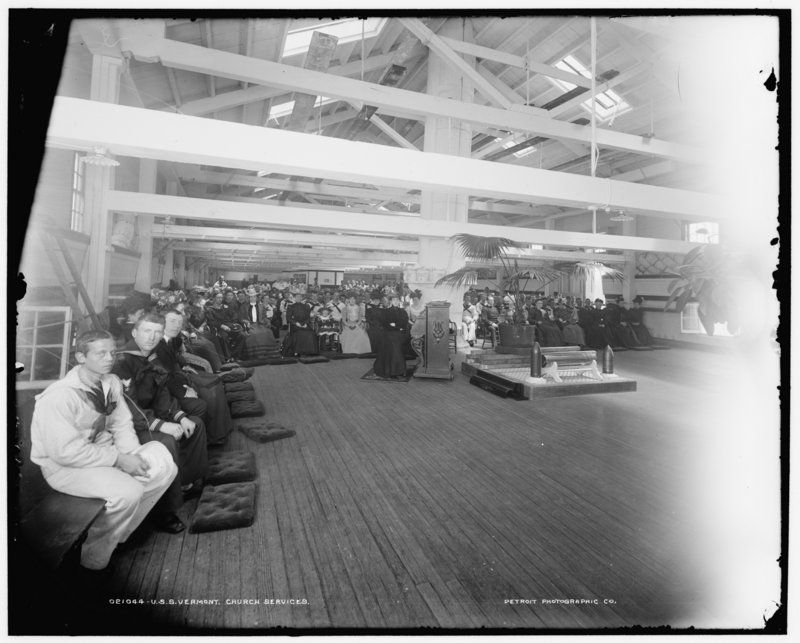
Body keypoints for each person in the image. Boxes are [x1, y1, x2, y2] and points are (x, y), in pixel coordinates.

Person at [30, 330, 177, 572]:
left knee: (163, 463)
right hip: (65, 468)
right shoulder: (59, 396)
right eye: (101, 353)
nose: (109, 358)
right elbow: (65, 452)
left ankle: (118, 535)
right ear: (81, 357)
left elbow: (121, 424)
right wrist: (119, 459)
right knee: (129, 492)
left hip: (102, 453)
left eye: (112, 352)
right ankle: (93, 560)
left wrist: (132, 455)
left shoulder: (110, 382)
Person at [112, 313, 209, 523]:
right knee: (167, 441)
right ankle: (165, 511)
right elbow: (128, 406)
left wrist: (180, 416)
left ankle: (187, 482)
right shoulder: (122, 363)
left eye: (157, 332)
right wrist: (162, 425)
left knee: (195, 424)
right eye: (147, 331)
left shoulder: (151, 356)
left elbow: (162, 392)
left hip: (150, 416)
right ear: (134, 332)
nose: (152, 337)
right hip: (131, 425)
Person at [156, 309, 233, 446]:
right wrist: (184, 391)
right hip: (170, 389)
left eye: (179, 322)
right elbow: (163, 377)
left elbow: (175, 360)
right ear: (161, 323)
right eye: (172, 321)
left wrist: (184, 366)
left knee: (215, 381)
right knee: (210, 391)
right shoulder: (158, 345)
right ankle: (213, 436)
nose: (177, 325)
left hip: (179, 376)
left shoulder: (171, 340)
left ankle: (220, 431)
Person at [373, 293, 409, 379]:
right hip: (389, 334)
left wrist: (396, 326)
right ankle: (393, 371)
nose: (395, 301)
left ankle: (399, 370)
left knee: (397, 348)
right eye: (394, 300)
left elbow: (404, 323)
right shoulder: (386, 312)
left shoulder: (403, 311)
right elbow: (385, 324)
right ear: (391, 301)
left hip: (399, 334)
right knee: (394, 348)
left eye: (397, 300)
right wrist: (396, 327)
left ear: (399, 301)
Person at [364, 289, 384, 354]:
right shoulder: (369, 306)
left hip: (380, 325)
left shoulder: (381, 306)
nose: (376, 301)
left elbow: (384, 317)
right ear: (372, 300)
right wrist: (372, 323)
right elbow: (367, 317)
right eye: (375, 300)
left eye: (378, 300)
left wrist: (381, 324)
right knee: (373, 334)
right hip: (372, 325)